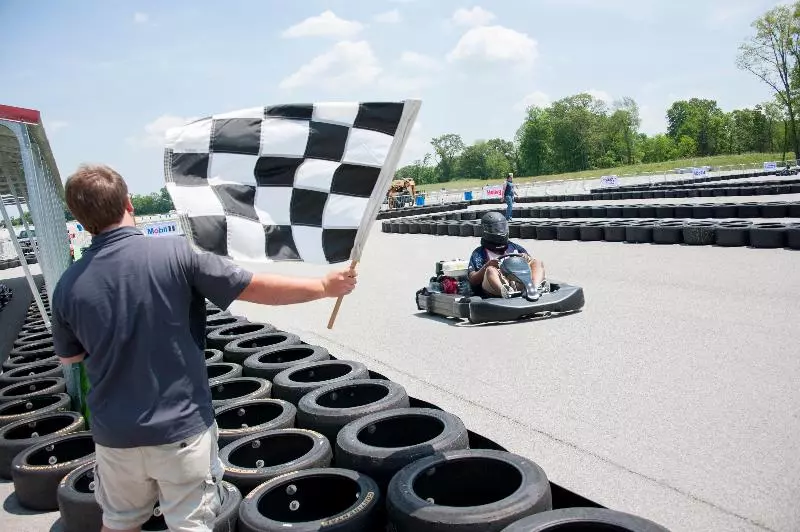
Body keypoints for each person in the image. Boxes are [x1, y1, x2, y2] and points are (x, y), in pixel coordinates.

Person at [50, 164, 357, 532]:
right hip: (180, 430)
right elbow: (257, 288)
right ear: (128, 203)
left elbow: (70, 357)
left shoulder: (67, 286)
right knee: (190, 525)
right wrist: (323, 286)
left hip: (114, 436)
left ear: (82, 222)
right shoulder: (179, 254)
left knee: (118, 522)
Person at [467, 212, 547, 300]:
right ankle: (505, 292)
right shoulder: (479, 253)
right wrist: (486, 266)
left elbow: (531, 266)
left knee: (537, 262)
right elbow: (473, 280)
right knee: (490, 270)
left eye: (502, 227)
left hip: (519, 282)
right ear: (486, 230)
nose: (500, 231)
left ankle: (534, 287)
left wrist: (525, 258)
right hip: (495, 287)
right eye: (496, 229)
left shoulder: (514, 247)